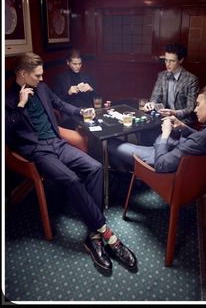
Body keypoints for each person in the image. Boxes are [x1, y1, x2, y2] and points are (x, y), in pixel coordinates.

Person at [5, 52, 137, 273]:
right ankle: (108, 236)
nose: (41, 78)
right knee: (72, 180)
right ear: (22, 73)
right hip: (38, 152)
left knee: (95, 168)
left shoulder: (43, 88)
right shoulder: (7, 99)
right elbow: (7, 133)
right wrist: (20, 105)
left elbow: (62, 104)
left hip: (57, 142)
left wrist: (81, 110)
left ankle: (92, 236)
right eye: (37, 75)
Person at [108, 82, 206, 173]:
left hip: (163, 161)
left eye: (198, 104)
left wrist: (165, 134)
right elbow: (200, 138)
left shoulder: (202, 139)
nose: (195, 109)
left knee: (109, 143)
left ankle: (122, 170)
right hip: (178, 157)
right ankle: (121, 168)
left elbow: (161, 165)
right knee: (152, 139)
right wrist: (183, 126)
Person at [141, 43, 199, 145]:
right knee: (143, 127)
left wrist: (174, 113)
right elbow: (155, 98)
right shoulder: (162, 75)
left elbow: (191, 108)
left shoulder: (191, 79)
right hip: (163, 116)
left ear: (181, 60)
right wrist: (150, 104)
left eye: (172, 61)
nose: (167, 64)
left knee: (163, 135)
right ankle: (148, 154)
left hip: (182, 119)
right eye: (166, 60)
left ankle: (160, 154)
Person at [53, 49, 97, 128]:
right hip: (69, 112)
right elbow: (55, 102)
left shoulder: (87, 76)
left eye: (80, 64)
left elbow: (97, 97)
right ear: (68, 62)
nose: (78, 66)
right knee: (81, 127)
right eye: (75, 64)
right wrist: (68, 93)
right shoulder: (60, 78)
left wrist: (91, 89)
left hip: (86, 110)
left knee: (98, 125)